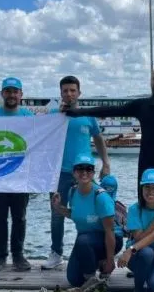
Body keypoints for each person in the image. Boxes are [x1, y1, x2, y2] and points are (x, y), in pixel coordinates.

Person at [65, 65, 154, 277]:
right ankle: (139, 258)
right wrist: (78, 113)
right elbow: (110, 111)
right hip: (146, 169)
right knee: (141, 213)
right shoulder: (143, 105)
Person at [45, 75, 110, 270]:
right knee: (56, 213)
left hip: (85, 173)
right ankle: (56, 253)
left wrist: (105, 163)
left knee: (92, 214)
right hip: (60, 173)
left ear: (79, 93)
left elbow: (98, 139)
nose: (69, 94)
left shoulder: (88, 116)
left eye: (73, 90)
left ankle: (94, 252)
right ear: (61, 94)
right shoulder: (54, 116)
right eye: (65, 90)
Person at [0, 77, 34, 272]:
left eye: (15, 91)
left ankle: (18, 255)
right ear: (2, 93)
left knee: (20, 217)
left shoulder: (28, 116)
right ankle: (0, 255)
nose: (12, 95)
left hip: (21, 178)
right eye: (8, 91)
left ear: (21, 94)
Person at [54, 153, 120, 287]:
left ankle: (92, 279)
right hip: (86, 242)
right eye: (80, 168)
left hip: (109, 240)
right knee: (74, 279)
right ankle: (97, 263)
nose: (84, 172)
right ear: (73, 172)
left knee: (83, 240)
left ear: (93, 173)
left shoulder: (100, 197)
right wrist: (58, 208)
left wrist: (110, 260)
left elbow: (110, 231)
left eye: (88, 169)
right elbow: (75, 214)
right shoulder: (72, 192)